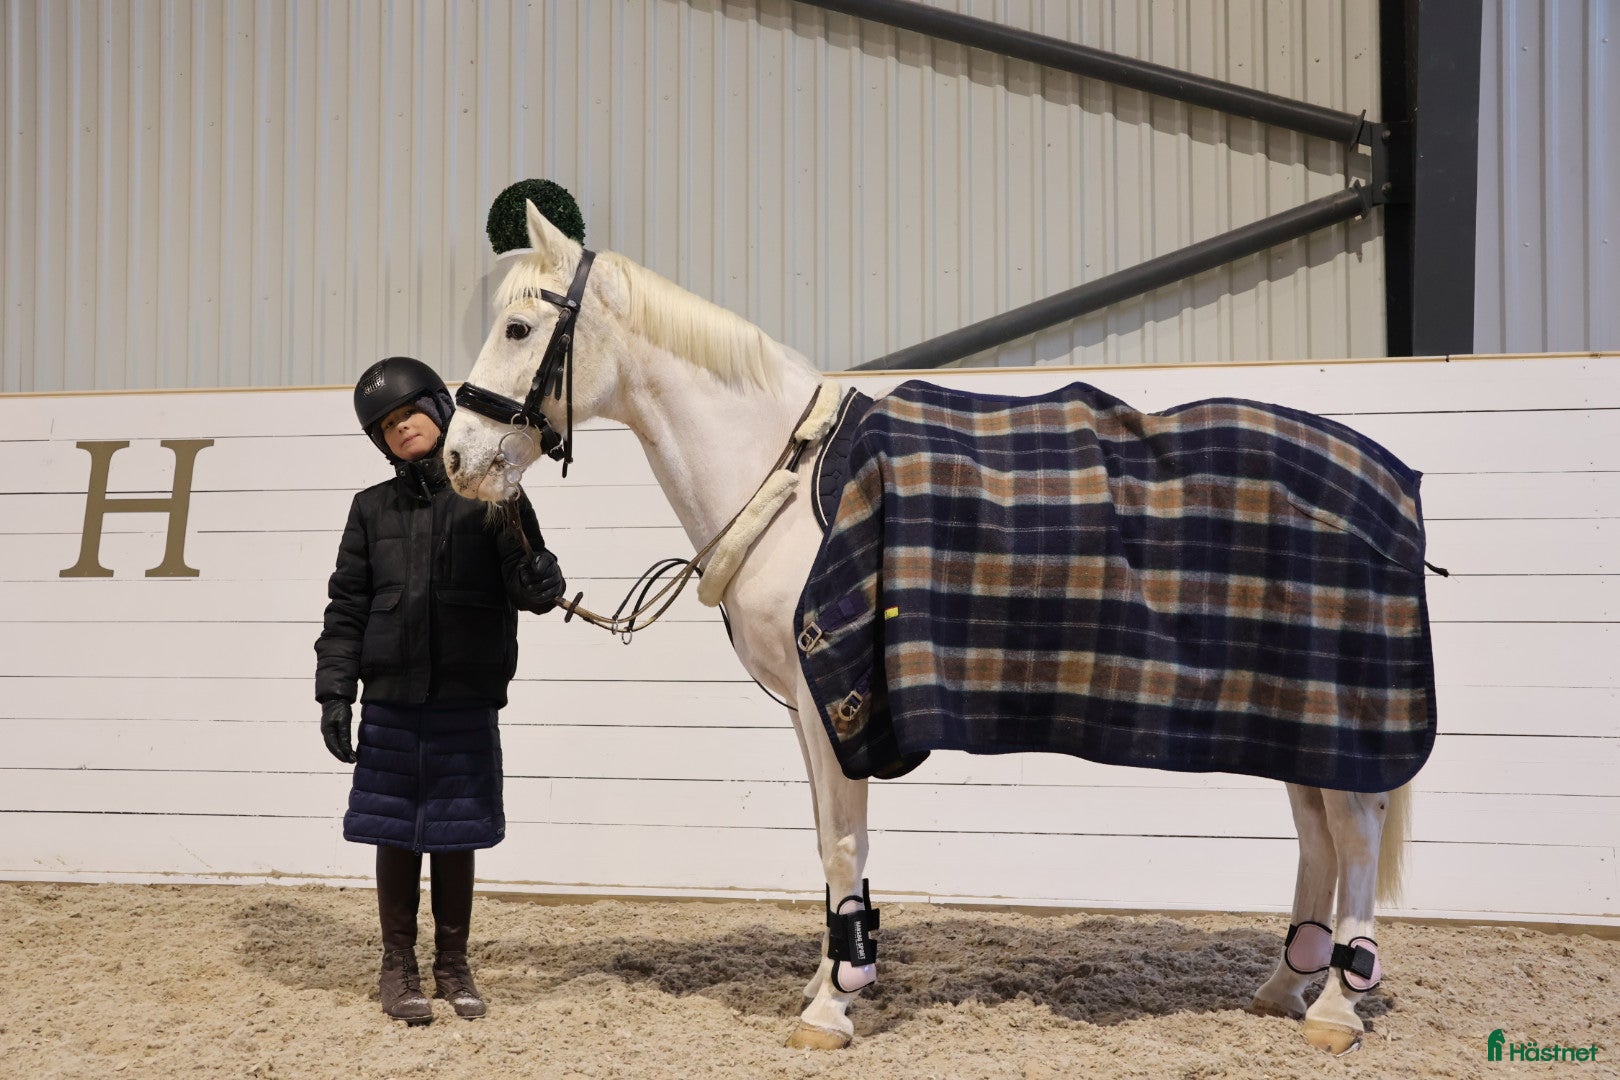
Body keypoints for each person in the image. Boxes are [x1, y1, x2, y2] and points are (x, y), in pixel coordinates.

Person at [314, 356, 565, 1024]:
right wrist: (335, 692)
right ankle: (398, 966)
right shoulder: (369, 511)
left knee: (456, 834)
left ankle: (453, 964)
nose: (401, 431)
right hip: (392, 699)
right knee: (394, 832)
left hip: (464, 694)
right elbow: (347, 607)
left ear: (438, 407)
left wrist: (543, 580)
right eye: (387, 426)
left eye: (409, 414)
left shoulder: (493, 491)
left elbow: (526, 578)